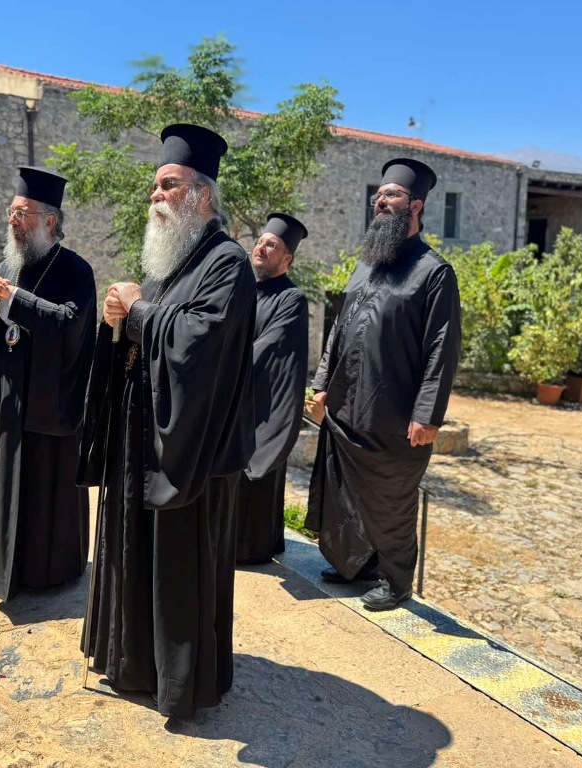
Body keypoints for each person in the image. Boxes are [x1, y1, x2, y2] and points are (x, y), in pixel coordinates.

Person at [78, 124, 256, 718]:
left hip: (190, 451)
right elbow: (142, 333)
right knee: (134, 556)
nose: (155, 195)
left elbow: (197, 343)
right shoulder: (167, 263)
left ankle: (179, 682)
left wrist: (137, 311)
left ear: (202, 195)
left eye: (168, 185)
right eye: (154, 186)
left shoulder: (228, 262)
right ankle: (131, 660)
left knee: (178, 569)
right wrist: (116, 321)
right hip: (142, 441)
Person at [305, 158, 461, 611]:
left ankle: (396, 583)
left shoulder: (434, 272)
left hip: (394, 413)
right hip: (348, 403)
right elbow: (338, 328)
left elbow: (442, 347)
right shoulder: (365, 265)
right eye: (378, 194)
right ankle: (355, 564)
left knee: (390, 499)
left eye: (391, 194)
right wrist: (322, 382)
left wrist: (427, 414)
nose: (380, 200)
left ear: (416, 205)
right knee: (346, 493)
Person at [0, 166, 97, 602]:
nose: (13, 221)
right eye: (11, 212)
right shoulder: (7, 266)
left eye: (22, 213)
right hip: (9, 402)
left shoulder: (76, 270)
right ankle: (1, 561)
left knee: (44, 493)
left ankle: (49, 570)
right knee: (5, 484)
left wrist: (14, 300)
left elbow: (70, 324)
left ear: (50, 221)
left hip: (49, 405)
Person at [236, 213, 310, 565]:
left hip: (264, 405)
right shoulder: (242, 290)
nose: (261, 248)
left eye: (272, 245)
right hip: (234, 400)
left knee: (258, 479)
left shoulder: (291, 299)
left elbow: (270, 348)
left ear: (286, 259)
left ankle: (254, 548)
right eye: (260, 242)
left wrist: (225, 366)